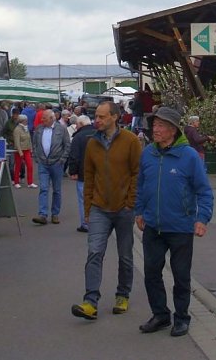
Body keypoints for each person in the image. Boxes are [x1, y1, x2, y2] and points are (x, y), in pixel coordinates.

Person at [136, 106, 213, 337]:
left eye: (160, 126)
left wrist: (202, 218)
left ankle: (182, 317)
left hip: (180, 226)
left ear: (172, 130)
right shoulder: (148, 153)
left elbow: (204, 191)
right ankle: (160, 315)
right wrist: (139, 210)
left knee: (181, 276)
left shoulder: (188, 155)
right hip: (153, 226)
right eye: (154, 125)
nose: (155, 130)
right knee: (151, 273)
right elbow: (140, 185)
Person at [71, 102, 142, 321]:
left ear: (115, 117)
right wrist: (88, 208)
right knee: (94, 252)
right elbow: (88, 176)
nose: (97, 120)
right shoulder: (92, 143)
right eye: (96, 117)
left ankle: (123, 295)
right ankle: (90, 301)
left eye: (102, 117)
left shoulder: (131, 141)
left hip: (124, 209)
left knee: (125, 255)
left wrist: (130, 203)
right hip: (100, 208)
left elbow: (137, 173)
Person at [31, 109, 71, 225]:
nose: (42, 119)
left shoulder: (61, 129)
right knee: (43, 188)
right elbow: (35, 144)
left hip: (56, 163)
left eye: (44, 118)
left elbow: (67, 145)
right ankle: (42, 214)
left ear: (52, 118)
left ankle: (55, 214)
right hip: (43, 163)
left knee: (56, 190)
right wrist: (37, 158)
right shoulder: (39, 129)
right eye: (42, 117)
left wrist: (62, 160)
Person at [67, 114, 96, 232]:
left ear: (81, 124)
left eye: (77, 124)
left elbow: (74, 156)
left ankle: (86, 223)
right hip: (99, 174)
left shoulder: (78, 137)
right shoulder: (99, 134)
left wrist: (73, 171)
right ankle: (98, 222)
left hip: (83, 174)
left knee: (83, 199)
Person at [12, 114, 36, 189]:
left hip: (27, 149)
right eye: (26, 120)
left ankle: (30, 182)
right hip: (20, 150)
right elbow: (17, 142)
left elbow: (29, 139)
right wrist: (20, 152)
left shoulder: (26, 128)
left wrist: (31, 148)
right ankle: (16, 182)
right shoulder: (17, 129)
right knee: (18, 166)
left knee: (30, 166)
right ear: (22, 121)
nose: (27, 121)